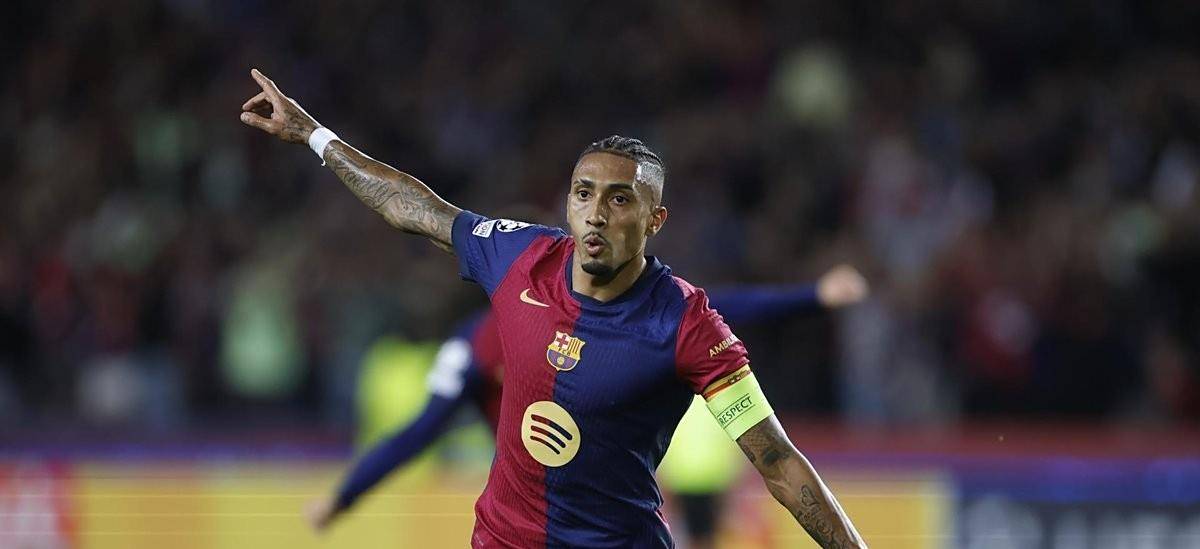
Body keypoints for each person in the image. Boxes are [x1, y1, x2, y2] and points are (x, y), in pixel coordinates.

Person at [241, 68, 867, 548]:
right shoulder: (520, 257)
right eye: (583, 193)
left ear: (656, 220)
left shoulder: (688, 324)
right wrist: (313, 135)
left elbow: (777, 460)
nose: (596, 213)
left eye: (619, 199)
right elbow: (417, 209)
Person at [305, 266, 869, 532]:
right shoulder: (478, 343)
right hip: (538, 517)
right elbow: (421, 432)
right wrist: (346, 496)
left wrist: (812, 296)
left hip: (613, 511)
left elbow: (712, 312)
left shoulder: (601, 314)